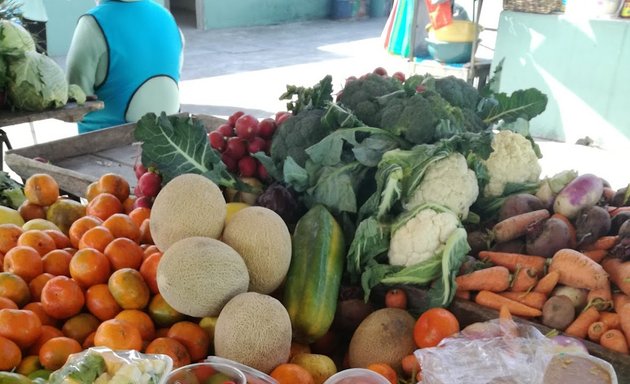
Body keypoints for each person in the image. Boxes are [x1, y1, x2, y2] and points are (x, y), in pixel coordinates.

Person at [66, 0, 184, 134]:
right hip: (168, 136)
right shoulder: (166, 16)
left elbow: (76, 94)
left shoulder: (93, 23)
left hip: (108, 139)